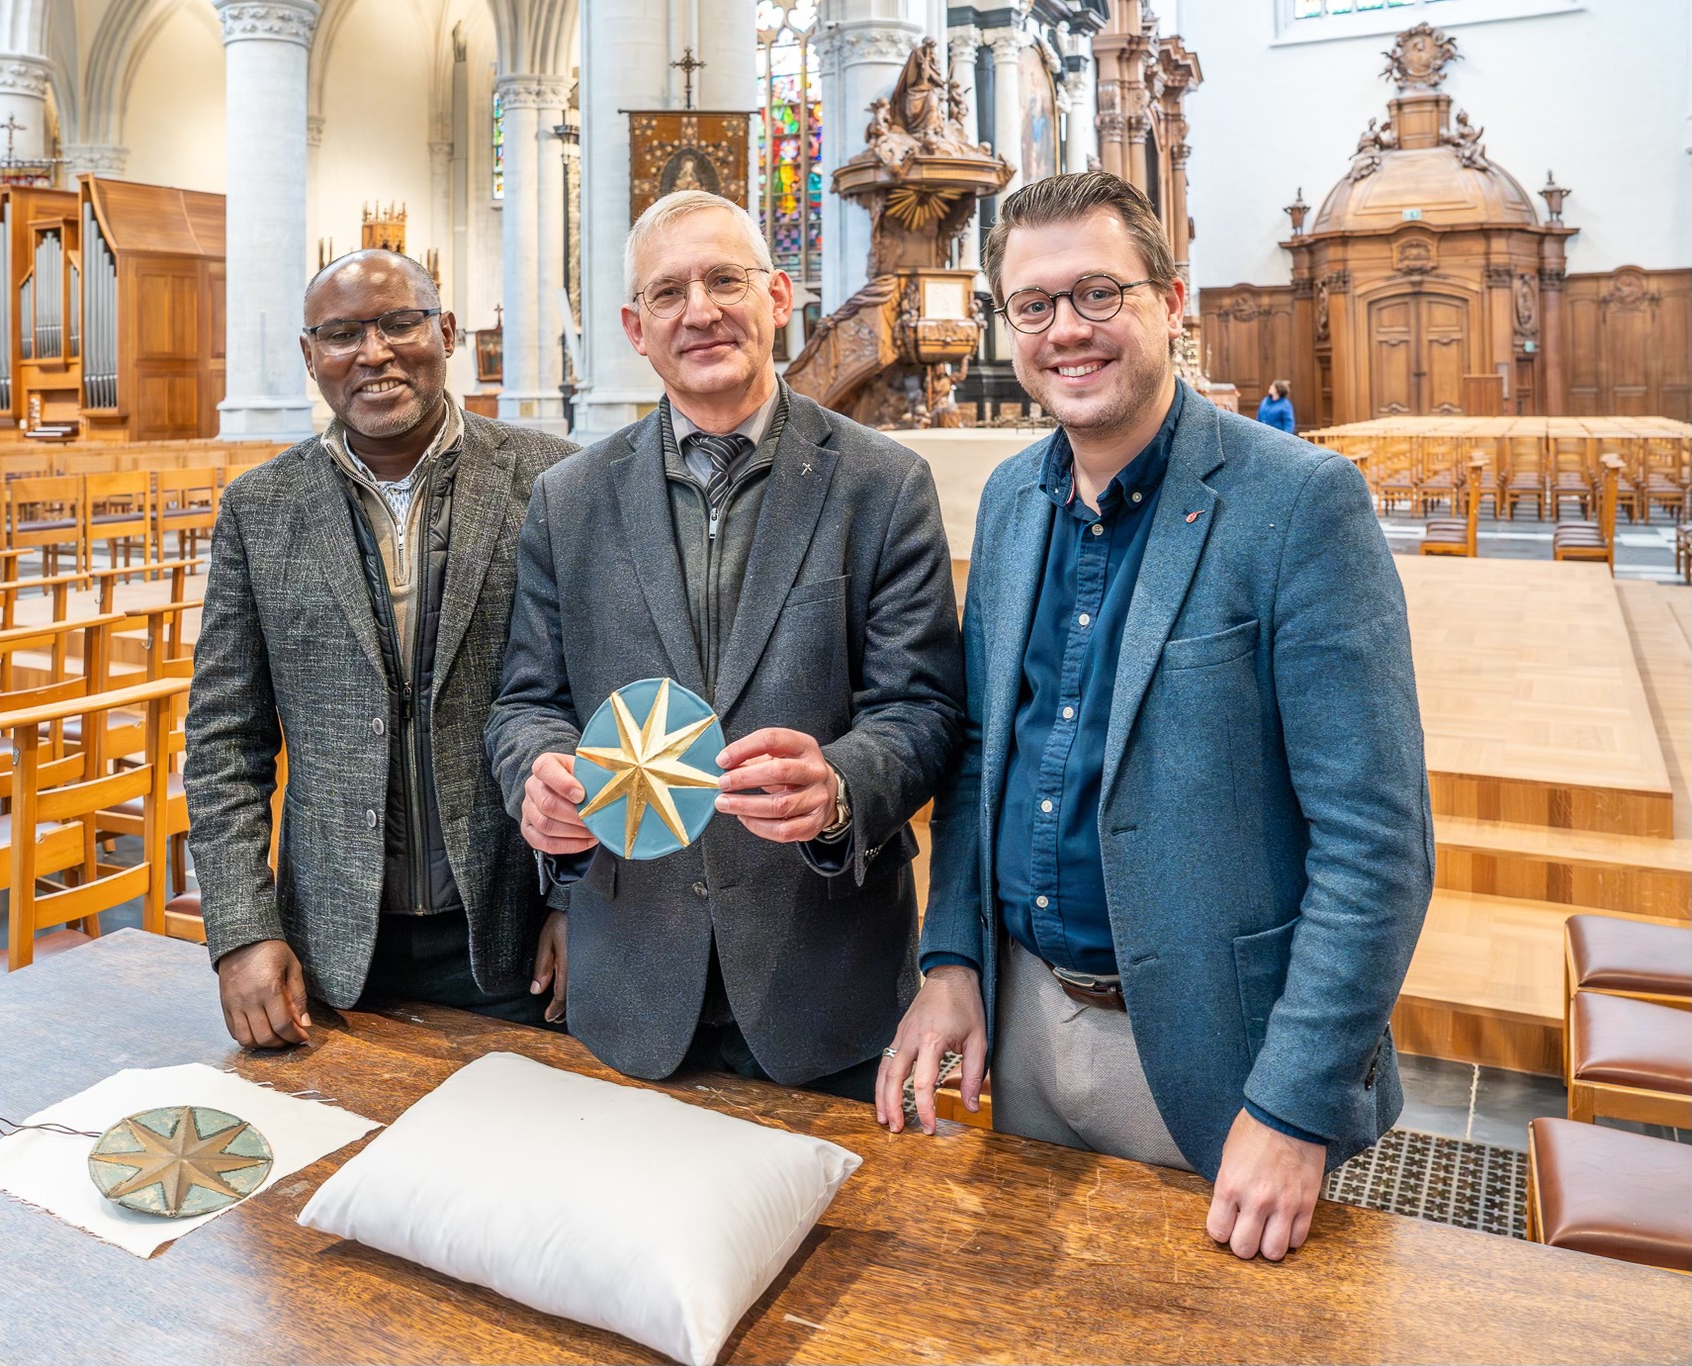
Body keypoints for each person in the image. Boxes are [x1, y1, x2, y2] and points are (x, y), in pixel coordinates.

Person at [876, 172, 1431, 1263]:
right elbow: (984, 757)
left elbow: (1376, 848)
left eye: (1097, 293)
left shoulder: (1296, 505)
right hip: (1026, 1022)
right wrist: (949, 961)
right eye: (1032, 305)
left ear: (1170, 300)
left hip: (1222, 1052)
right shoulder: (1009, 499)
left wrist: (1291, 1104)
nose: (1064, 331)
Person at [485, 190, 964, 1100]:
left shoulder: (881, 484)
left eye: (724, 279)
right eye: (668, 293)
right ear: (635, 326)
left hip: (822, 977)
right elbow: (527, 703)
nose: (699, 310)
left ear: (780, 297)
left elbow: (923, 708)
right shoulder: (570, 498)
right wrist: (539, 780)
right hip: (631, 973)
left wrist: (837, 787)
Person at [185, 250, 578, 1050]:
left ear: (446, 332)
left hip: (518, 931)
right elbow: (226, 739)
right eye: (341, 334)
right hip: (329, 951)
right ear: (309, 356)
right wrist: (239, 930)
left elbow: (603, 704)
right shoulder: (261, 509)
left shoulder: (554, 481)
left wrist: (584, 903)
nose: (374, 352)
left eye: (400, 322)